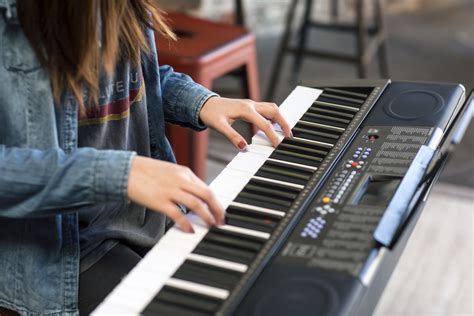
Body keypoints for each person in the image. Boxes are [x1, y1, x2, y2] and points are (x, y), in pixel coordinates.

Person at [0, 0, 291, 315]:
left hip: (142, 218)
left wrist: (202, 103)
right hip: (62, 258)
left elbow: (139, 77)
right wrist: (119, 175)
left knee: (261, 278)